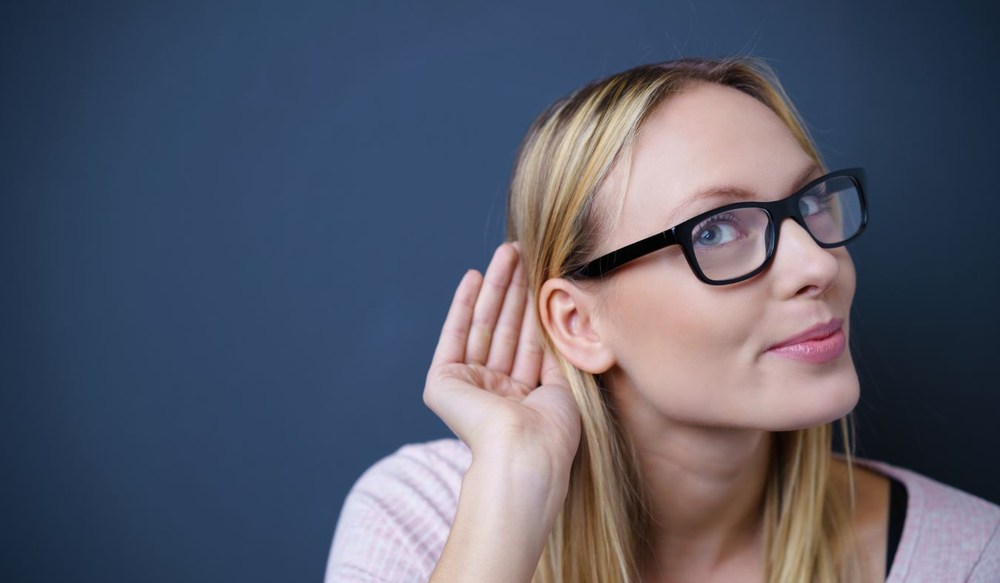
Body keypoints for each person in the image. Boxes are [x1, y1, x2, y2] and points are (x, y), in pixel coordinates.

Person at [325, 57, 1000, 582]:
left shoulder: (968, 556)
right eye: (715, 230)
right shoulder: (420, 520)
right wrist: (512, 492)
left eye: (811, 203)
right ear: (579, 324)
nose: (818, 264)